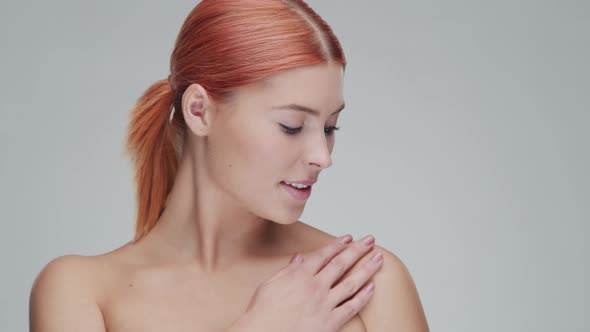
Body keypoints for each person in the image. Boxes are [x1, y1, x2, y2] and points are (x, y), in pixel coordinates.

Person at [29, 0, 429, 331]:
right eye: (291, 126)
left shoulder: (365, 284)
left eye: (329, 126)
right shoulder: (80, 292)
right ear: (200, 111)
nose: (323, 157)